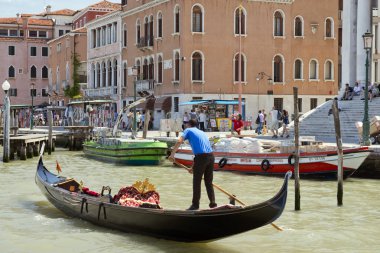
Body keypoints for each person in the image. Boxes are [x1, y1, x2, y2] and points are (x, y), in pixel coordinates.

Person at [169, 119, 217, 211]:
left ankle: (195, 205)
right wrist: (193, 167)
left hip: (202, 158)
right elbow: (200, 152)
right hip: (211, 157)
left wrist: (172, 154)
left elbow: (179, 141)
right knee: (208, 182)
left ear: (189, 124)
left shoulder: (188, 130)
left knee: (196, 182)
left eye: (186, 123)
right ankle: (213, 204)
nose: (185, 125)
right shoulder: (202, 132)